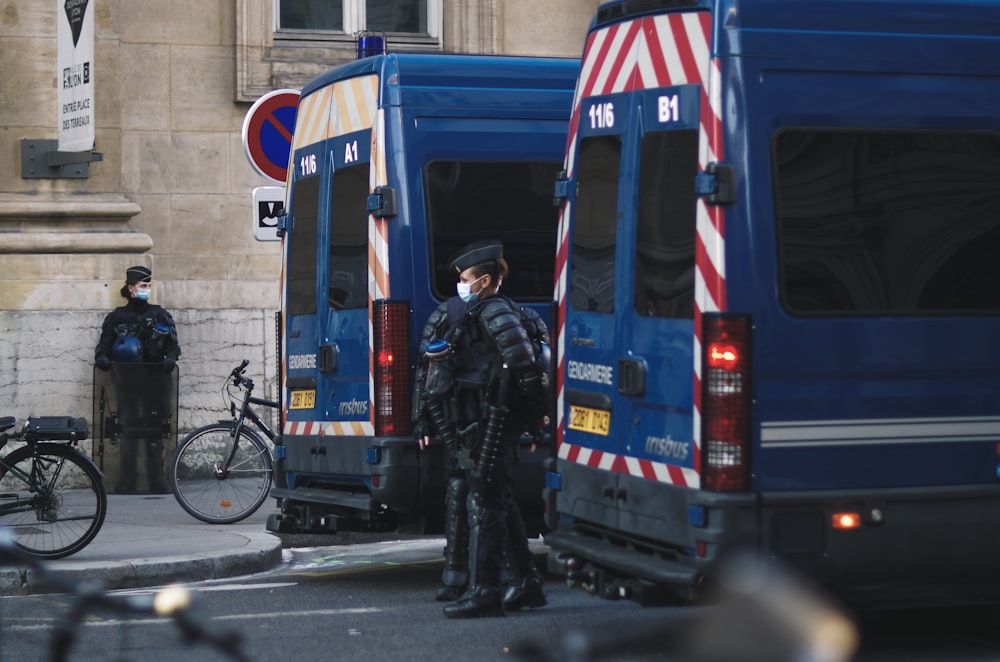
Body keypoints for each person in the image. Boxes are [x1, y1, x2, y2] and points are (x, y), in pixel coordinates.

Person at [412, 240, 549, 618]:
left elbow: (527, 368)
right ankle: (525, 584)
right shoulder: (481, 313)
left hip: (495, 419)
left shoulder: (496, 312)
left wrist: (537, 422)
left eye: (466, 278)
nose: (461, 284)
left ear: (486, 280)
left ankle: (485, 590)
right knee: (496, 498)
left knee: (485, 500)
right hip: (478, 418)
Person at [95, 265, 180, 494]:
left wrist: (170, 359)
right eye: (143, 286)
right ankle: (127, 481)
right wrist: (103, 357)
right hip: (128, 381)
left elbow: (173, 346)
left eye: (149, 286)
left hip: (156, 381)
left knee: (155, 432)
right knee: (128, 430)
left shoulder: (160, 315)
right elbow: (103, 346)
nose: (147, 290)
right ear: (131, 288)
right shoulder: (117, 317)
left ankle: (157, 480)